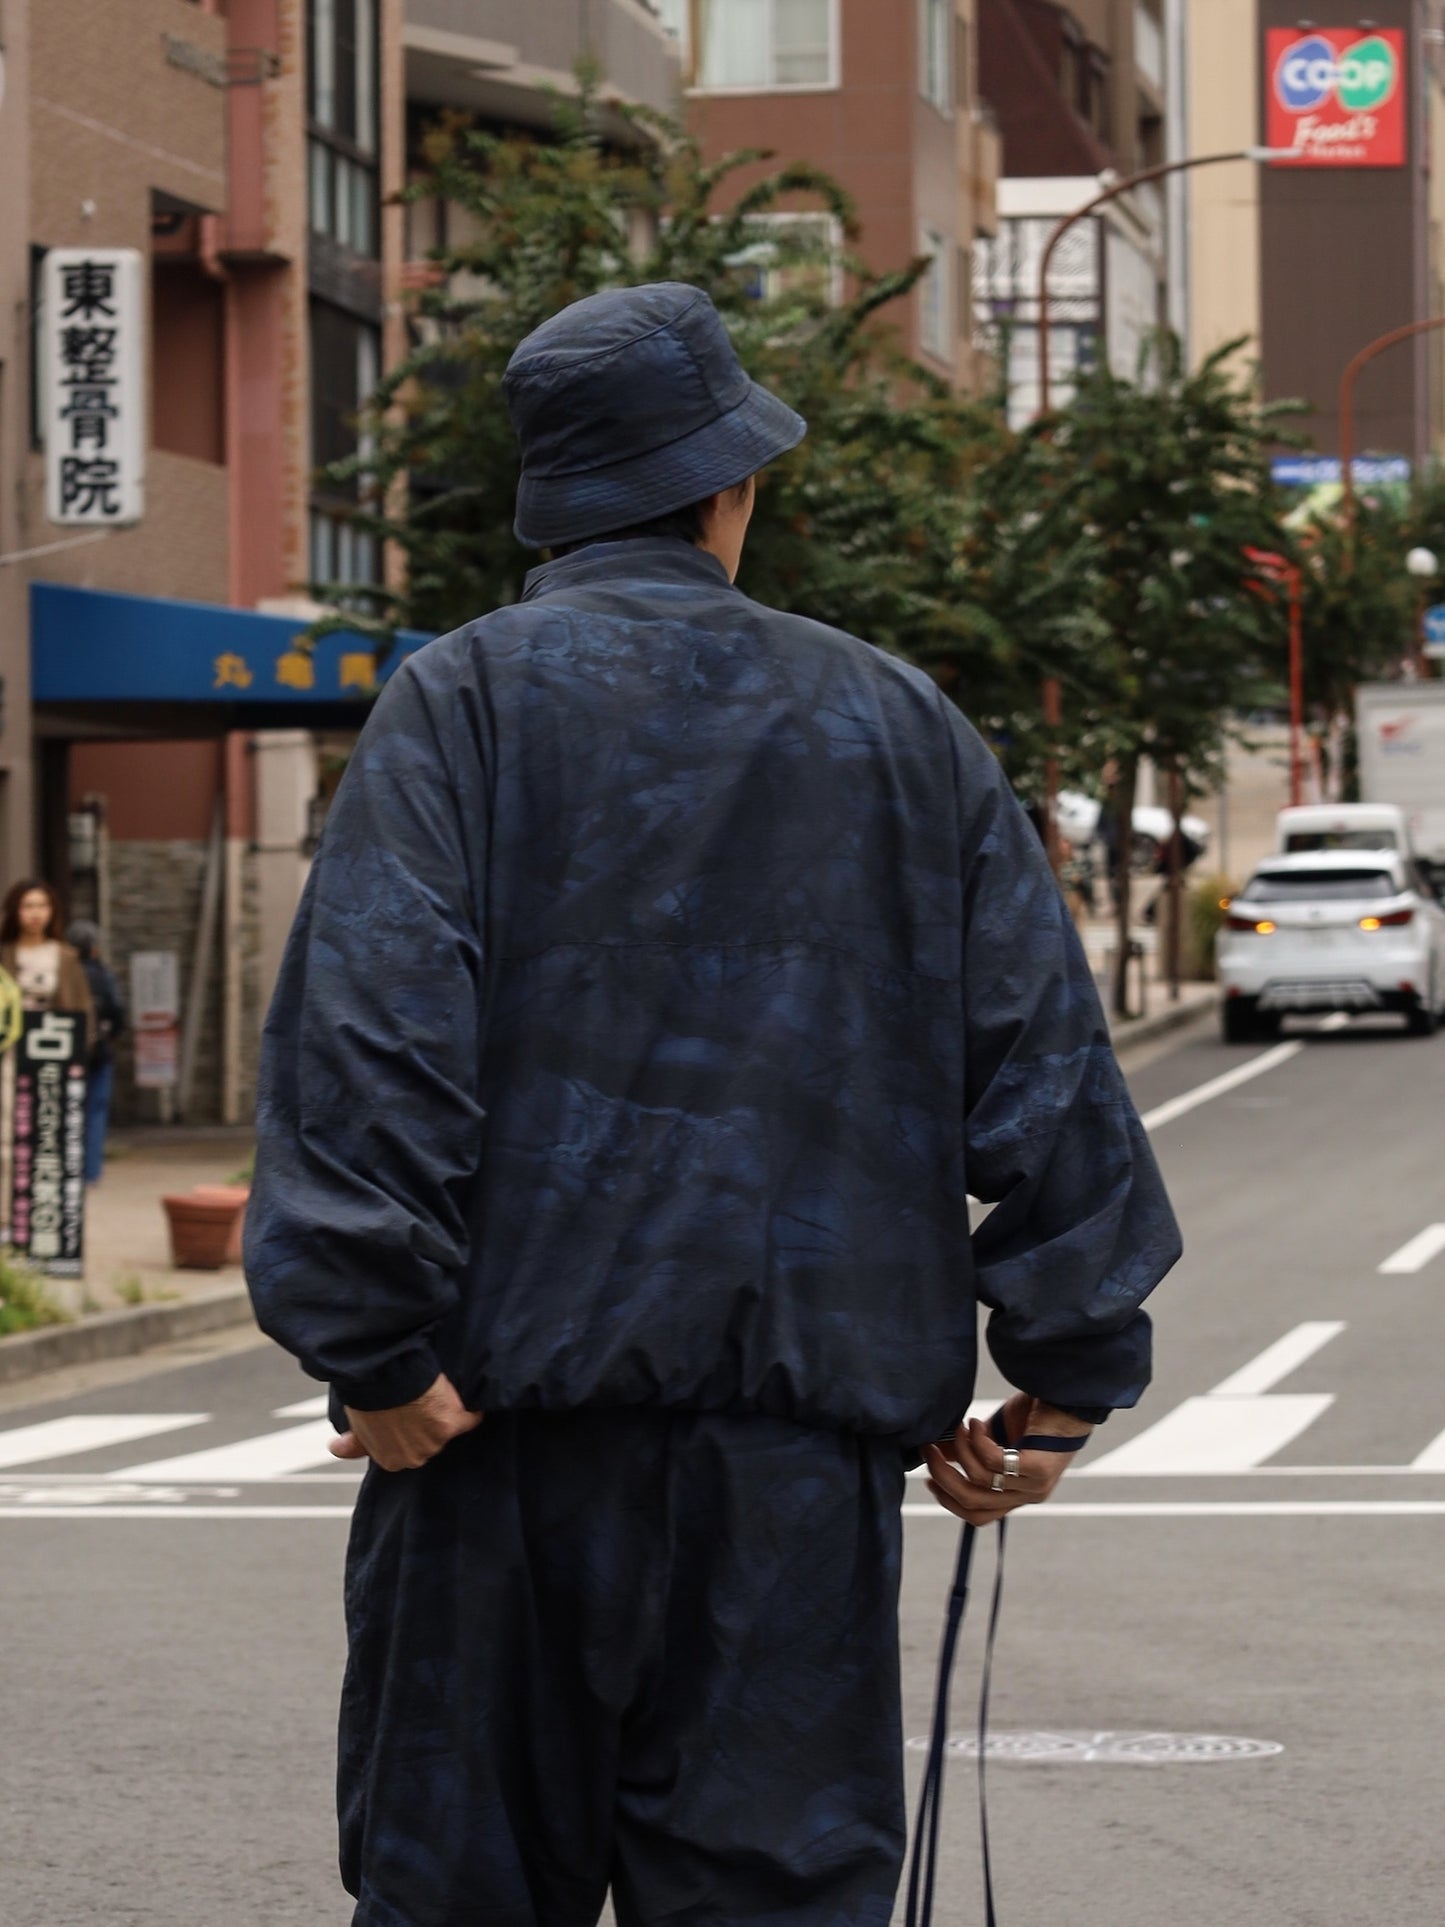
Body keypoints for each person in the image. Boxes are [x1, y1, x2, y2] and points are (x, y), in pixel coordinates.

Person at [246, 283, 1181, 1927]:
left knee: (457, 1894)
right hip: (791, 1474)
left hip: (488, 1454)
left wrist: (374, 1344)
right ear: (727, 487)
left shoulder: (458, 708)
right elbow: (1039, 1057)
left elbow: (367, 1041)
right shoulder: (900, 726)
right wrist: (1060, 1381)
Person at [65, 920, 126, 1184]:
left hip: (66, 1053)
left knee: (68, 1110)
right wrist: (112, 1036)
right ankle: (91, 1171)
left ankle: (69, 1168)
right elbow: (118, 1011)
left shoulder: (63, 976)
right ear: (94, 949)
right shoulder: (103, 976)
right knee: (95, 1111)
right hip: (99, 1052)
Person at [0, 881, 95, 1045]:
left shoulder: (66, 956)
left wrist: (84, 1044)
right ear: (15, 910)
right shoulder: (5, 954)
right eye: (28, 906)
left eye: (42, 906)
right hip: (11, 1044)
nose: (35, 913)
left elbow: (82, 1005)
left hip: (55, 1040)